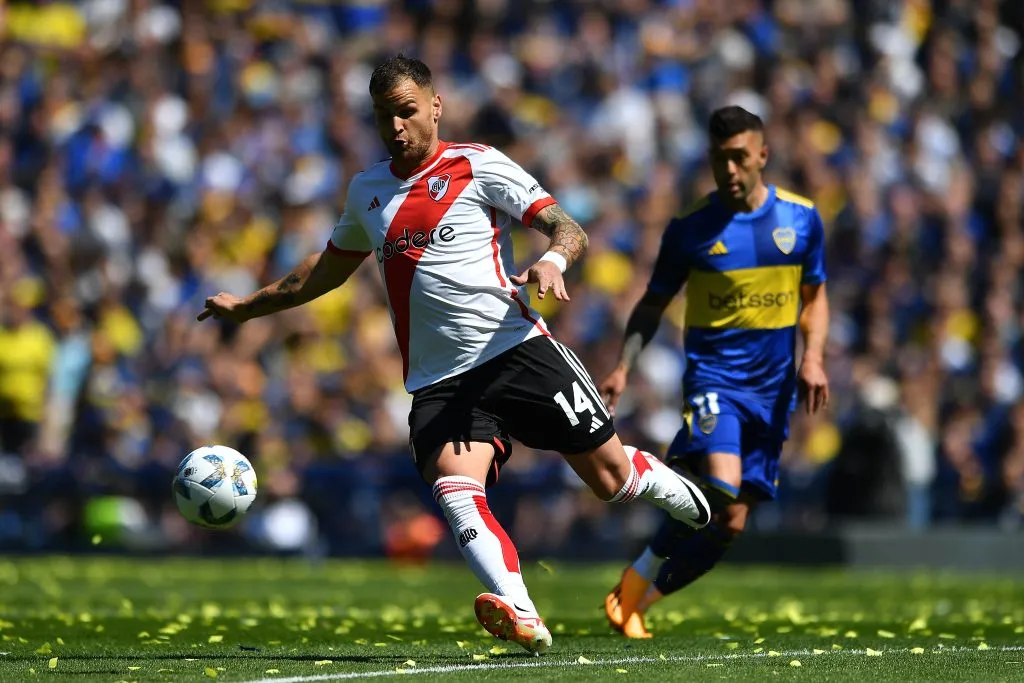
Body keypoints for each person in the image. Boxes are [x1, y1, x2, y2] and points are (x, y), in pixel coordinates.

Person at [198, 55, 710, 655]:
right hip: (440, 380)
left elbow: (568, 227)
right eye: (383, 116)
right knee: (455, 486)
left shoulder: (479, 164)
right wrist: (248, 306)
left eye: (407, 111)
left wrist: (553, 260)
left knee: (611, 481)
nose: (396, 127)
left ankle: (678, 494)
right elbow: (325, 270)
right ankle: (522, 612)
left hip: (517, 351)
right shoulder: (367, 191)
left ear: (435, 106)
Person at [598, 106, 830, 638]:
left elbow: (815, 297)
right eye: (719, 158)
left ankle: (639, 602)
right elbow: (652, 304)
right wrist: (623, 366)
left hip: (773, 391)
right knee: (722, 485)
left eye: (739, 158)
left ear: (762, 156)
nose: (729, 169)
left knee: (731, 522)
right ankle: (638, 573)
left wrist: (814, 356)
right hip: (715, 381)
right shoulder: (690, 228)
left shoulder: (801, 219)